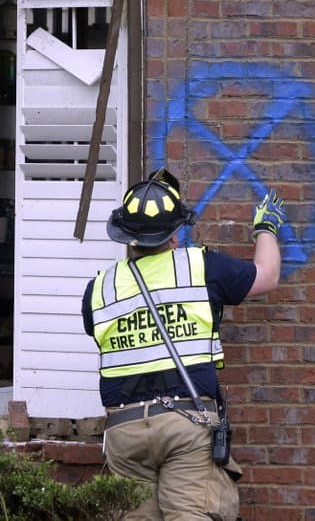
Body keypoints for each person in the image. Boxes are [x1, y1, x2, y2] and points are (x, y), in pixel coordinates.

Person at [81, 168, 284, 521]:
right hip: (184, 425)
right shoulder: (199, 267)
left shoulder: (99, 289)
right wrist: (265, 228)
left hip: (124, 432)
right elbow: (266, 276)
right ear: (175, 234)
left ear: (127, 237)